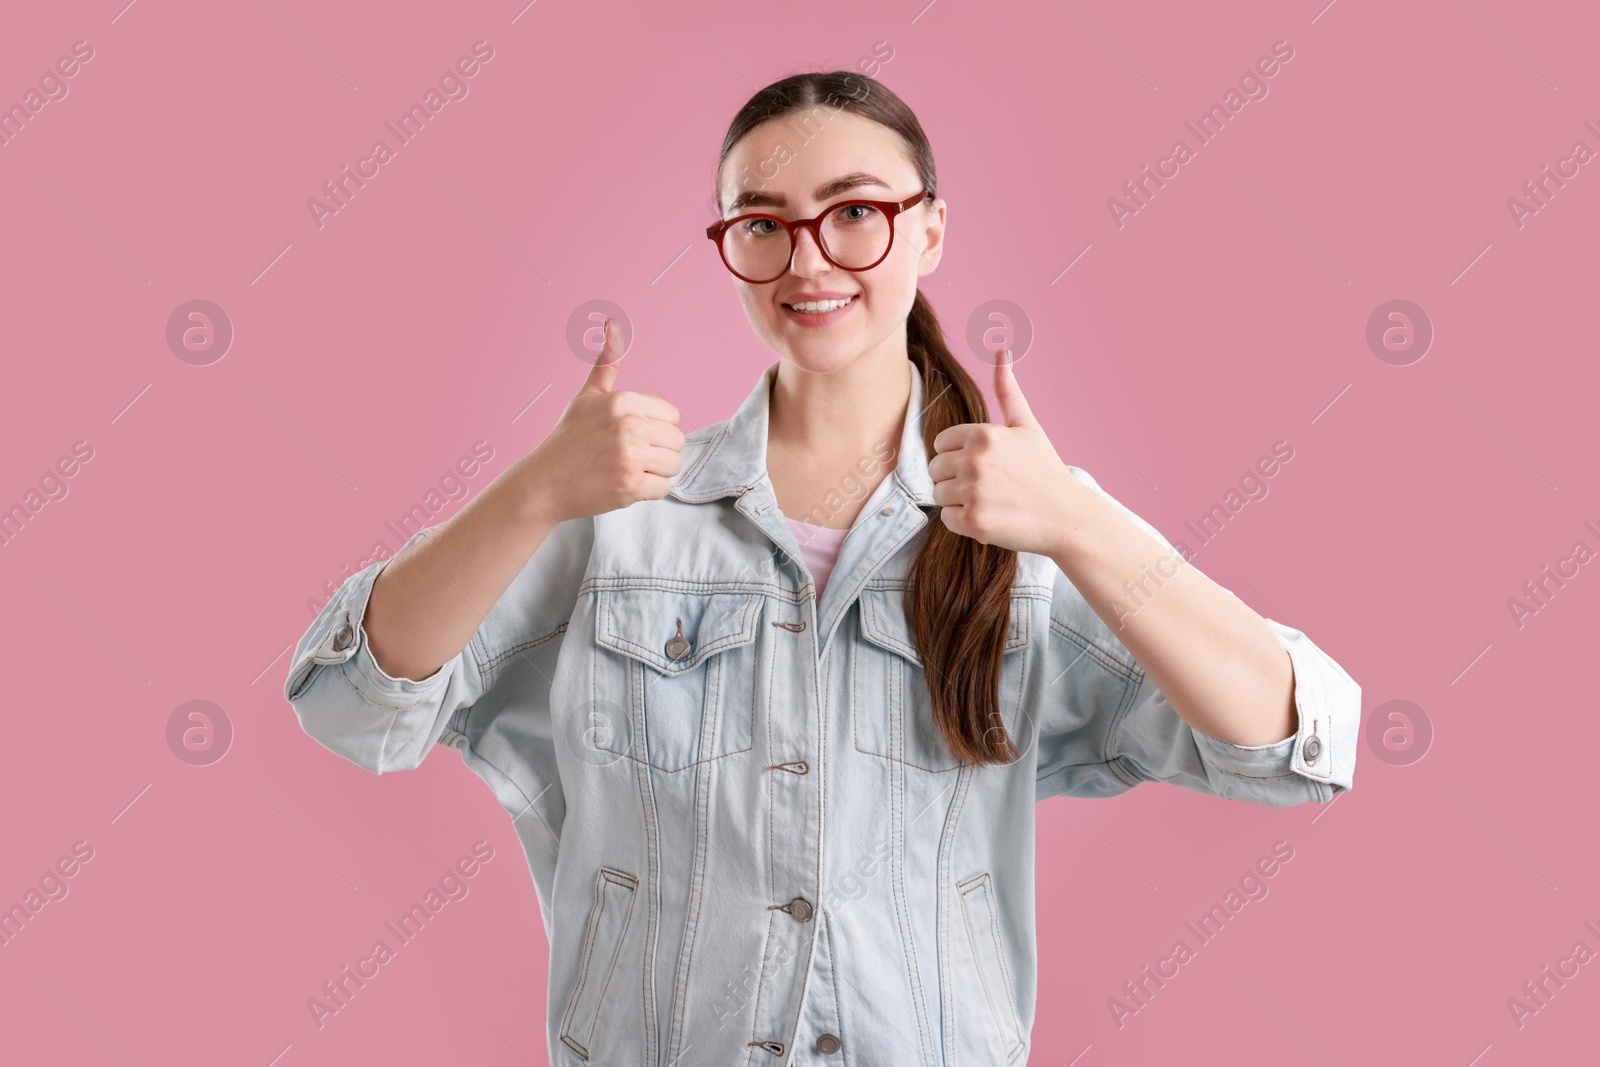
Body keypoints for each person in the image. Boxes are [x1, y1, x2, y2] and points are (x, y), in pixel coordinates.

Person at [284, 70, 1359, 1065]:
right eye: (764, 223)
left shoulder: (1030, 523)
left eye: (854, 212)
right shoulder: (613, 520)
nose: (808, 260)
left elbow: (1292, 746)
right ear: (729, 245)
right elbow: (348, 702)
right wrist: (531, 492)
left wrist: (1080, 522)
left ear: (930, 228)